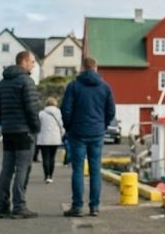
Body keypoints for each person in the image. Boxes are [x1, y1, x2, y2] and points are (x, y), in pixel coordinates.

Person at [61, 57, 115, 217]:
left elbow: (66, 110)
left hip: (77, 133)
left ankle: (77, 206)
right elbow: (111, 111)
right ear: (96, 68)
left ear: (82, 68)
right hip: (97, 133)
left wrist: (69, 127)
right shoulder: (105, 87)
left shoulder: (73, 86)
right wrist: (102, 126)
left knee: (77, 169)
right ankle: (95, 207)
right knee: (95, 170)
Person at [0, 51, 41, 219]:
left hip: (8, 131)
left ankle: (3, 207)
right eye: (32, 61)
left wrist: (5, 123)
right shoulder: (26, 81)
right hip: (24, 132)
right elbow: (32, 109)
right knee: (22, 168)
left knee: (6, 169)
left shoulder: (2, 83)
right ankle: (19, 206)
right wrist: (35, 127)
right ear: (23, 61)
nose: (33, 65)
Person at [36, 97, 65, 183]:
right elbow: (61, 124)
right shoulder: (58, 112)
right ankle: (51, 176)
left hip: (44, 138)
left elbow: (38, 126)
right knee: (52, 157)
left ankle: (46, 176)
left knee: (45, 157)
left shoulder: (41, 113)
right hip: (55, 138)